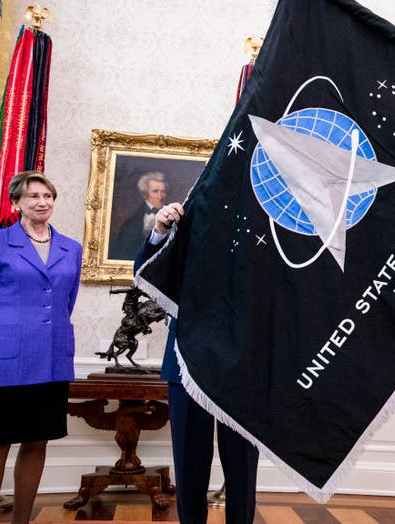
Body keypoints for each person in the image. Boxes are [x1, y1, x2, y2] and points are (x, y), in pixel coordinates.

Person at [0, 171, 82, 524]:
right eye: (33, 196)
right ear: (16, 203)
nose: (42, 202)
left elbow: (66, 302)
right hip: (5, 362)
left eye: (48, 196)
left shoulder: (70, 248)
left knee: (37, 442)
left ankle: (21, 521)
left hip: (51, 361)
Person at [135, 201, 259, 524]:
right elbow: (146, 271)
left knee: (242, 470)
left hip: (239, 372)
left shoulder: (257, 234)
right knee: (189, 468)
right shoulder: (186, 223)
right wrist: (160, 230)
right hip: (185, 366)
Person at [108, 171, 168, 260]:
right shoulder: (130, 225)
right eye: (155, 191)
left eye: (163, 191)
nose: (160, 196)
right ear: (144, 194)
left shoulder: (173, 218)